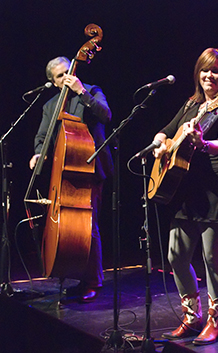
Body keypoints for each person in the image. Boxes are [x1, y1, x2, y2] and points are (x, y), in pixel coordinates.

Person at [151, 48, 218, 345]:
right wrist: (159, 143)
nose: (210, 76)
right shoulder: (192, 103)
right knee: (175, 254)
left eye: (216, 71)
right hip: (187, 188)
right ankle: (191, 315)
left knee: (210, 256)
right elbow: (166, 131)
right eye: (205, 70)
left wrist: (204, 144)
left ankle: (215, 320)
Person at [29, 56, 113, 303]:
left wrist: (82, 92)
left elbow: (106, 115)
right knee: (69, 227)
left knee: (89, 226)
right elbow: (42, 137)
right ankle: (73, 274)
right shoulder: (51, 106)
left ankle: (93, 280)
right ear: (53, 82)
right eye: (60, 75)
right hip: (65, 172)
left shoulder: (93, 91)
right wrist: (38, 153)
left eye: (69, 71)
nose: (66, 77)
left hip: (91, 169)